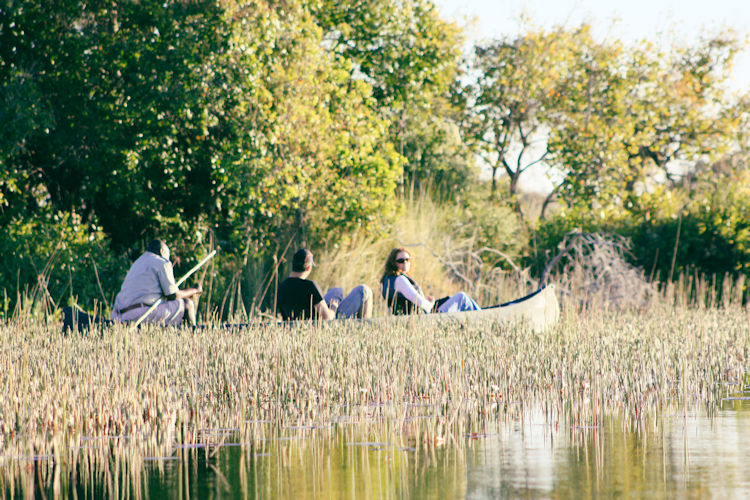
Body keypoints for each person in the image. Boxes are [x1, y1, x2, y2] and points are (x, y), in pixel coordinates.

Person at [111, 239, 203, 326]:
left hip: (118, 315)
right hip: (140, 314)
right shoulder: (162, 262)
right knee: (187, 304)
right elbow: (172, 296)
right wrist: (194, 290)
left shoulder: (138, 262)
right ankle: (192, 334)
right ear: (162, 251)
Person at [277, 248, 373, 321]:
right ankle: (363, 327)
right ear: (308, 268)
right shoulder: (310, 286)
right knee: (364, 290)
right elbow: (327, 319)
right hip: (322, 328)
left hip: (299, 326)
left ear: (292, 265)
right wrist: (333, 307)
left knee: (337, 291)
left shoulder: (281, 287)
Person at [380, 247, 481, 315]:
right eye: (401, 261)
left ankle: (481, 314)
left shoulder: (388, 280)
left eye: (408, 260)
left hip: (417, 317)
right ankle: (484, 318)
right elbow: (422, 304)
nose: (405, 263)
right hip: (425, 320)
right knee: (462, 297)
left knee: (460, 300)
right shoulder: (400, 280)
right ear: (394, 263)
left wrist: (427, 301)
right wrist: (431, 304)